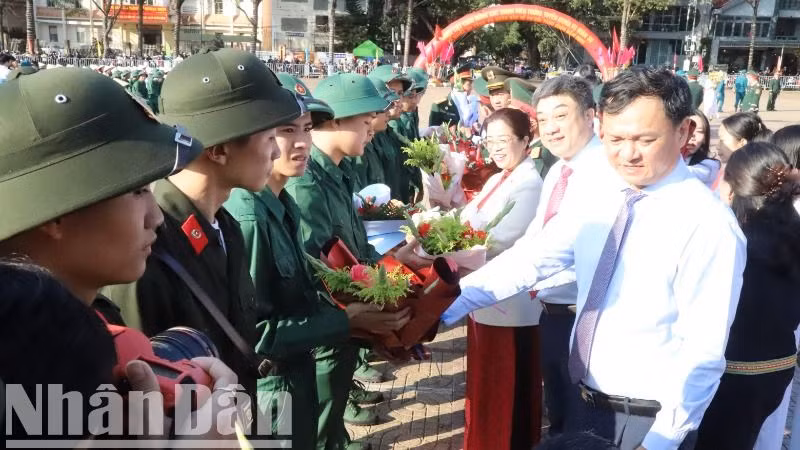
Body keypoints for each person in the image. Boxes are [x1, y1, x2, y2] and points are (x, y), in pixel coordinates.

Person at [443, 67, 746, 450]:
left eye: (644, 139)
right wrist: (443, 305)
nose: (627, 153)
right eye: (615, 139)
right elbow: (533, 259)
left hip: (649, 419)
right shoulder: (603, 194)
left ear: (684, 132)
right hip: (588, 400)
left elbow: (703, 350)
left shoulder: (707, 224)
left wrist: (660, 442)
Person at [0, 68, 237, 441]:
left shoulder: (87, 328)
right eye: (138, 191)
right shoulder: (25, 379)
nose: (156, 218)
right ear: (57, 212)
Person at [104, 49, 302, 422]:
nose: (277, 151)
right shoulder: (147, 250)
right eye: (269, 136)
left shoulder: (224, 226)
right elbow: (143, 392)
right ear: (219, 149)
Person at [223, 74, 410, 450]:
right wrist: (350, 320)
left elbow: (328, 265)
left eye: (307, 129)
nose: (300, 143)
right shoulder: (252, 215)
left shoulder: (283, 203)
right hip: (275, 385)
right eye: (286, 130)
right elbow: (253, 332)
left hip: (303, 364)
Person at [284, 73, 416, 449]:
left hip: (348, 309)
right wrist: (368, 300)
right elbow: (322, 264)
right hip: (334, 313)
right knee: (326, 400)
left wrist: (393, 260)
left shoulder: (336, 171)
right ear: (338, 121)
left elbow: (352, 241)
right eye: (365, 119)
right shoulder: (306, 183)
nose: (374, 125)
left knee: (334, 395)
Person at [695, 142, 800, 449]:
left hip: (732, 372)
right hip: (777, 367)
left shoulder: (731, 238)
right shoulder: (793, 232)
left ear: (730, 188)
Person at [528, 74, 608, 438]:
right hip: (552, 317)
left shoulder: (604, 174)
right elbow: (537, 242)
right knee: (559, 419)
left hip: (586, 321)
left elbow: (559, 256)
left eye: (560, 116)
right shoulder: (559, 170)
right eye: (542, 119)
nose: (550, 128)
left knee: (583, 428)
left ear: (591, 115)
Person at [461, 108, 544, 450]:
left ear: (526, 141)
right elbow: (465, 216)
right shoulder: (498, 178)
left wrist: (449, 245)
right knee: (485, 385)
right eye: (489, 139)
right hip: (484, 297)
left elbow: (500, 239)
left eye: (503, 139)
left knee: (505, 389)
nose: (494, 148)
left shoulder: (529, 183)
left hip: (510, 307)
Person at [503, 77, 558, 179]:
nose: (508, 125)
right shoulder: (527, 148)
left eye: (513, 120)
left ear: (532, 124)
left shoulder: (542, 157)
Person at [683, 110, 721, 187]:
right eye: (688, 130)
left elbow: (681, 173)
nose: (692, 136)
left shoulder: (709, 166)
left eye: (699, 131)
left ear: (704, 139)